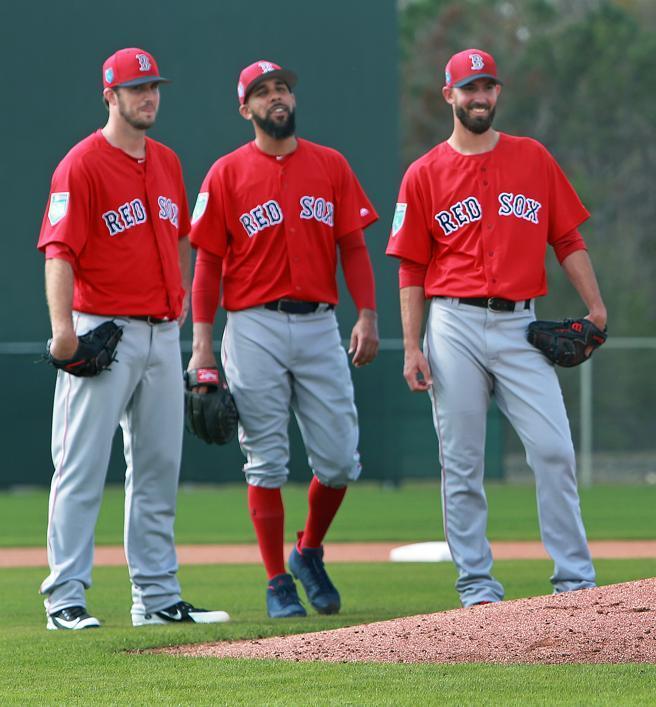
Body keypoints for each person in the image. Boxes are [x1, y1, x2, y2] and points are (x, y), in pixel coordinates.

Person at [387, 49, 606, 607]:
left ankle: (575, 582)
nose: (478, 97)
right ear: (449, 96)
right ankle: (477, 585)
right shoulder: (423, 174)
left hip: (520, 324)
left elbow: (567, 239)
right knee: (462, 461)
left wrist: (595, 306)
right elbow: (411, 266)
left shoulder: (532, 158)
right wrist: (412, 345)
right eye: (468, 88)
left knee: (554, 450)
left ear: (497, 93)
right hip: (453, 323)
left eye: (486, 86)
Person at [36, 48, 229, 630]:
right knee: (80, 467)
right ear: (110, 96)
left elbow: (181, 243)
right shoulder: (82, 164)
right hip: (103, 332)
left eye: (154, 87)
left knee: (157, 468)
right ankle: (64, 598)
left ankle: (156, 596)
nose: (149, 96)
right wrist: (64, 331)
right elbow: (59, 250)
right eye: (136, 88)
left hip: (161, 334)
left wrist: (187, 327)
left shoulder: (167, 162)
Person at [187, 60, 380, 618]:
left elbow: (354, 247)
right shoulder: (225, 173)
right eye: (264, 92)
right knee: (265, 462)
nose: (277, 98)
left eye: (283, 89)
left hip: (321, 323)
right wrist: (202, 346)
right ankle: (276, 581)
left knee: (341, 461)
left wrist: (366, 315)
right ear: (245, 108)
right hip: (253, 325)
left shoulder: (330, 165)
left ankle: (308, 552)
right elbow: (207, 265)